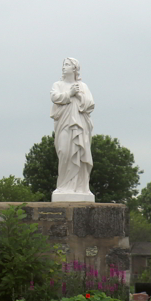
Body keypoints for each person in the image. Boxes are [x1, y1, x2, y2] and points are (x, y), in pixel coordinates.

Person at [50, 58, 95, 200]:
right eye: (63, 64)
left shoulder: (83, 86)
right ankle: (63, 185)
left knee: (79, 153)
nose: (64, 67)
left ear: (75, 69)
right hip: (64, 122)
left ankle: (80, 187)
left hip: (80, 125)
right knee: (64, 151)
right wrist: (69, 93)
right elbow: (54, 97)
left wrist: (79, 94)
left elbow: (90, 104)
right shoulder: (58, 85)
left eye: (67, 65)